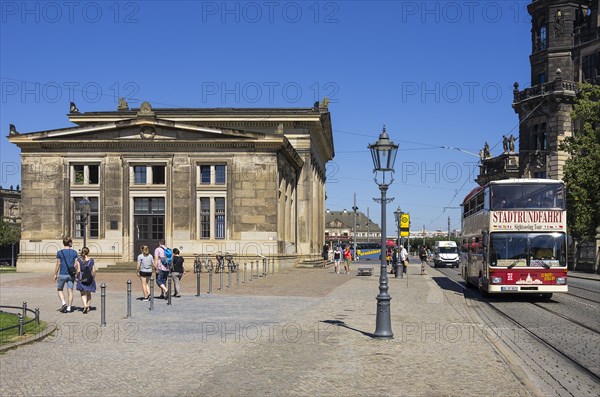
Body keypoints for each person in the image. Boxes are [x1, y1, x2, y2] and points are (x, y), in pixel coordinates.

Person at [54, 237, 78, 313]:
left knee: (59, 289)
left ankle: (63, 303)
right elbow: (76, 264)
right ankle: (69, 307)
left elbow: (58, 264)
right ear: (70, 243)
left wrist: (55, 274)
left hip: (62, 274)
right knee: (70, 291)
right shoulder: (74, 252)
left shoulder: (59, 252)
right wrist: (76, 274)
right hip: (71, 275)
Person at [75, 247, 96, 314]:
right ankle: (88, 305)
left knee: (82, 293)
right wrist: (93, 277)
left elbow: (78, 270)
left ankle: (85, 305)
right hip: (89, 277)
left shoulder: (79, 260)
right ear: (88, 252)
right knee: (89, 293)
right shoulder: (91, 260)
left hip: (82, 277)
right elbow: (94, 270)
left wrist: (76, 276)